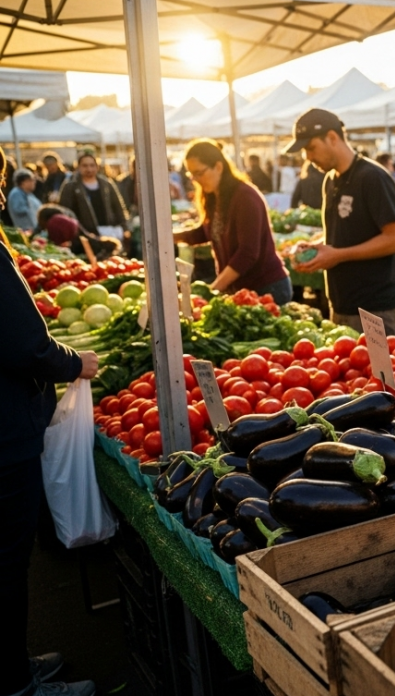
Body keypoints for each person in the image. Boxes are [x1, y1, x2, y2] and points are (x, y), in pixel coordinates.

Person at [0, 156, 100, 696]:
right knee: (6, 563)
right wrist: (73, 362)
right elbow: (25, 345)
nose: (2, 196)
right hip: (4, 435)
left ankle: (14, 667)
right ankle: (19, 685)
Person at [286, 109, 395, 335]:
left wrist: (338, 255)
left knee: (376, 361)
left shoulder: (372, 177)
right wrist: (315, 248)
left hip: (372, 308)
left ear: (332, 137)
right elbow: (341, 235)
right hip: (340, 303)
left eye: (310, 148)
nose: (308, 157)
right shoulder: (330, 180)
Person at [174, 140, 291, 304]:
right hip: (239, 289)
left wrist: (214, 289)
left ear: (218, 167)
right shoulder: (214, 196)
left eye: (199, 173)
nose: (196, 180)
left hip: (266, 287)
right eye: (192, 175)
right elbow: (208, 231)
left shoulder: (245, 197)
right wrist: (173, 237)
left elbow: (247, 253)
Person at [57, 149, 129, 253]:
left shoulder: (106, 185)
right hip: (84, 237)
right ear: (78, 167)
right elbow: (65, 212)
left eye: (92, 165)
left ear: (97, 167)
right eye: (85, 166)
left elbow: (118, 208)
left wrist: (125, 228)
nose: (89, 169)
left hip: (110, 232)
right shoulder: (70, 187)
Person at [37, 205, 120, 262]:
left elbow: (57, 242)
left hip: (73, 238)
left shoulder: (55, 223)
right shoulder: (59, 218)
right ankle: (107, 246)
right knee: (90, 243)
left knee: (87, 246)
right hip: (75, 232)